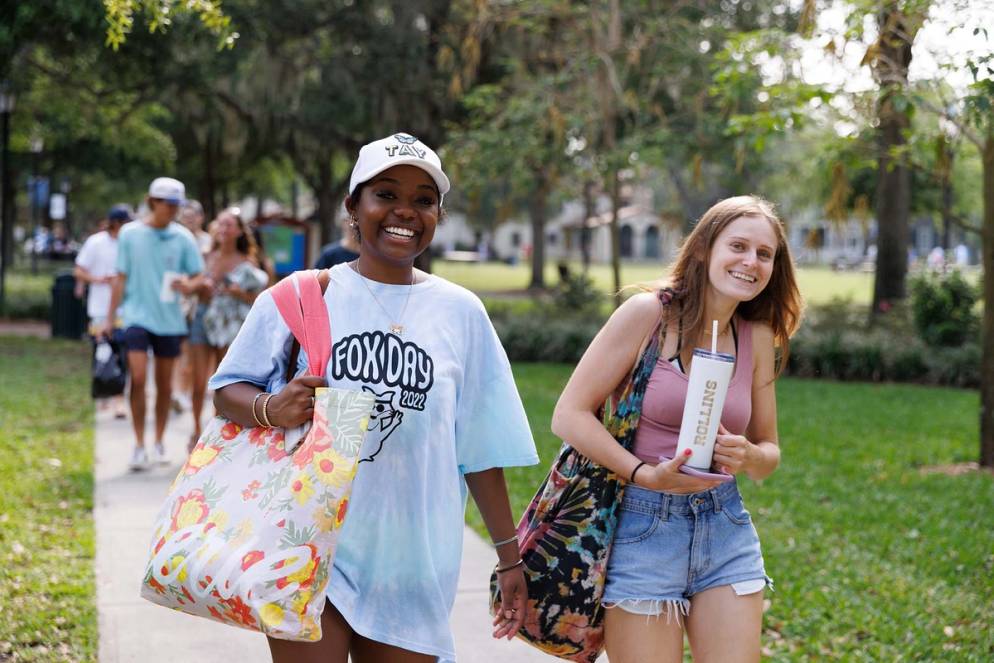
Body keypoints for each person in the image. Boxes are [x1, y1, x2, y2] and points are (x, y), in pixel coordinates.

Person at [209, 133, 538, 663]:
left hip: (412, 559)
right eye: (385, 194)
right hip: (307, 543)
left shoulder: (461, 312)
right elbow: (226, 391)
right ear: (353, 207)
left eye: (423, 200)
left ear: (438, 214)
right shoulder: (300, 295)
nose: (404, 211)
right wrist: (271, 407)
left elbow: (480, 448)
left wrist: (508, 557)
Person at [550, 195, 802, 662]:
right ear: (705, 247)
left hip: (723, 525)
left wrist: (749, 456)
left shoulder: (757, 337)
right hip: (644, 528)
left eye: (764, 254)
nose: (751, 262)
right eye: (739, 246)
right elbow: (568, 414)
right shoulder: (649, 314)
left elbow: (770, 453)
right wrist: (644, 473)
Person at [103, 177, 205, 470]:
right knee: (137, 378)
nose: (173, 210)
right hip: (136, 316)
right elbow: (120, 277)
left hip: (170, 321)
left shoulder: (183, 237)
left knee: (163, 387)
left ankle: (158, 441)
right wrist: (110, 318)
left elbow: (198, 276)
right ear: (153, 202)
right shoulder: (130, 234)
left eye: (177, 205)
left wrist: (188, 285)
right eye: (168, 204)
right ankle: (137, 444)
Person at [186, 206, 268, 450]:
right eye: (220, 224)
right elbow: (195, 292)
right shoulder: (205, 257)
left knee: (222, 381)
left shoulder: (248, 262)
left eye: (229, 225)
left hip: (231, 323)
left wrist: (239, 292)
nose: (223, 229)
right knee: (198, 380)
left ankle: (215, 431)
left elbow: (261, 300)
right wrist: (200, 287)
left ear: (240, 231)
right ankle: (195, 430)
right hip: (204, 318)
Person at [75, 204, 132, 418]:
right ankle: (103, 392)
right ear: (116, 223)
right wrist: (98, 280)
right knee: (101, 353)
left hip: (125, 310)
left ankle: (119, 400)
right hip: (99, 309)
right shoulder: (95, 242)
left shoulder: (130, 244)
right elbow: (79, 270)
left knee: (122, 353)